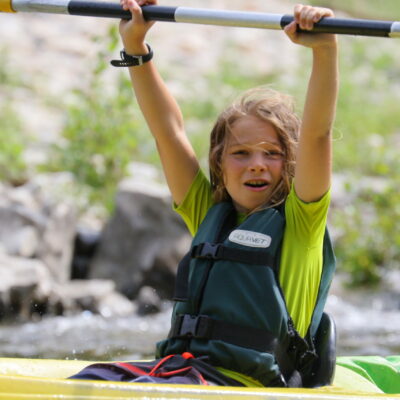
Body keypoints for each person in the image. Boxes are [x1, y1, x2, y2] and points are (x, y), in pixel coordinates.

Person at [70, 1, 339, 388]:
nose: (257, 164)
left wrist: (325, 51)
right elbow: (168, 131)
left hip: (243, 384)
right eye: (241, 153)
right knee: (89, 375)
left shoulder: (302, 223)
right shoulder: (208, 211)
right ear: (219, 163)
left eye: (273, 154)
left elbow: (317, 134)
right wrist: (136, 49)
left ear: (291, 164)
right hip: (183, 371)